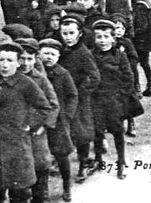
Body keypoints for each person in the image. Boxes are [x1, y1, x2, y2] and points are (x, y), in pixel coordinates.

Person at [0, 42, 52, 203]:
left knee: (19, 193)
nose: (5, 65)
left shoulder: (26, 83)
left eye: (10, 60)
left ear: (18, 62)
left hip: (18, 145)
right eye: (1, 60)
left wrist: (29, 124)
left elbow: (44, 107)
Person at [89, 19, 135, 180]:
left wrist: (121, 95)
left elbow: (129, 78)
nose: (102, 40)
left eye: (105, 37)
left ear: (112, 38)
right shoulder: (91, 55)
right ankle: (98, 160)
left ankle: (121, 161)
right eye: (98, 37)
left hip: (114, 100)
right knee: (97, 130)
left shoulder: (120, 55)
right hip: (96, 99)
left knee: (117, 131)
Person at [58, 16, 100, 183]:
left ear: (79, 33)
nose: (68, 37)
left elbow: (95, 77)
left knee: (81, 133)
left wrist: (82, 91)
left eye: (71, 33)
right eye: (64, 33)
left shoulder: (83, 53)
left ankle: (83, 164)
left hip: (80, 100)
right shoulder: (62, 50)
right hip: (63, 98)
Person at [16, 40, 60, 203]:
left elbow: (53, 104)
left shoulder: (40, 79)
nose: (25, 63)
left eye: (30, 59)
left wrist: (44, 126)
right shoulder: (10, 77)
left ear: (36, 59)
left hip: (36, 132)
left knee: (40, 166)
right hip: (17, 132)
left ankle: (41, 196)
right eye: (22, 58)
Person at [38, 39, 77, 202]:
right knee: (42, 157)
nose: (49, 57)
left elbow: (73, 95)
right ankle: (43, 191)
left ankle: (67, 184)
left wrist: (67, 115)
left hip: (59, 121)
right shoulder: (37, 75)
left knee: (61, 155)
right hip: (41, 120)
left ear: (59, 56)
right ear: (39, 55)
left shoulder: (63, 74)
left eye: (53, 54)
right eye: (45, 53)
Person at [133, 0, 151, 97]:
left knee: (134, 64)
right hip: (146, 40)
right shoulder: (146, 3)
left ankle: (137, 88)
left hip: (140, 41)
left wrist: (131, 32)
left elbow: (142, 26)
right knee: (145, 63)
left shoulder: (140, 6)